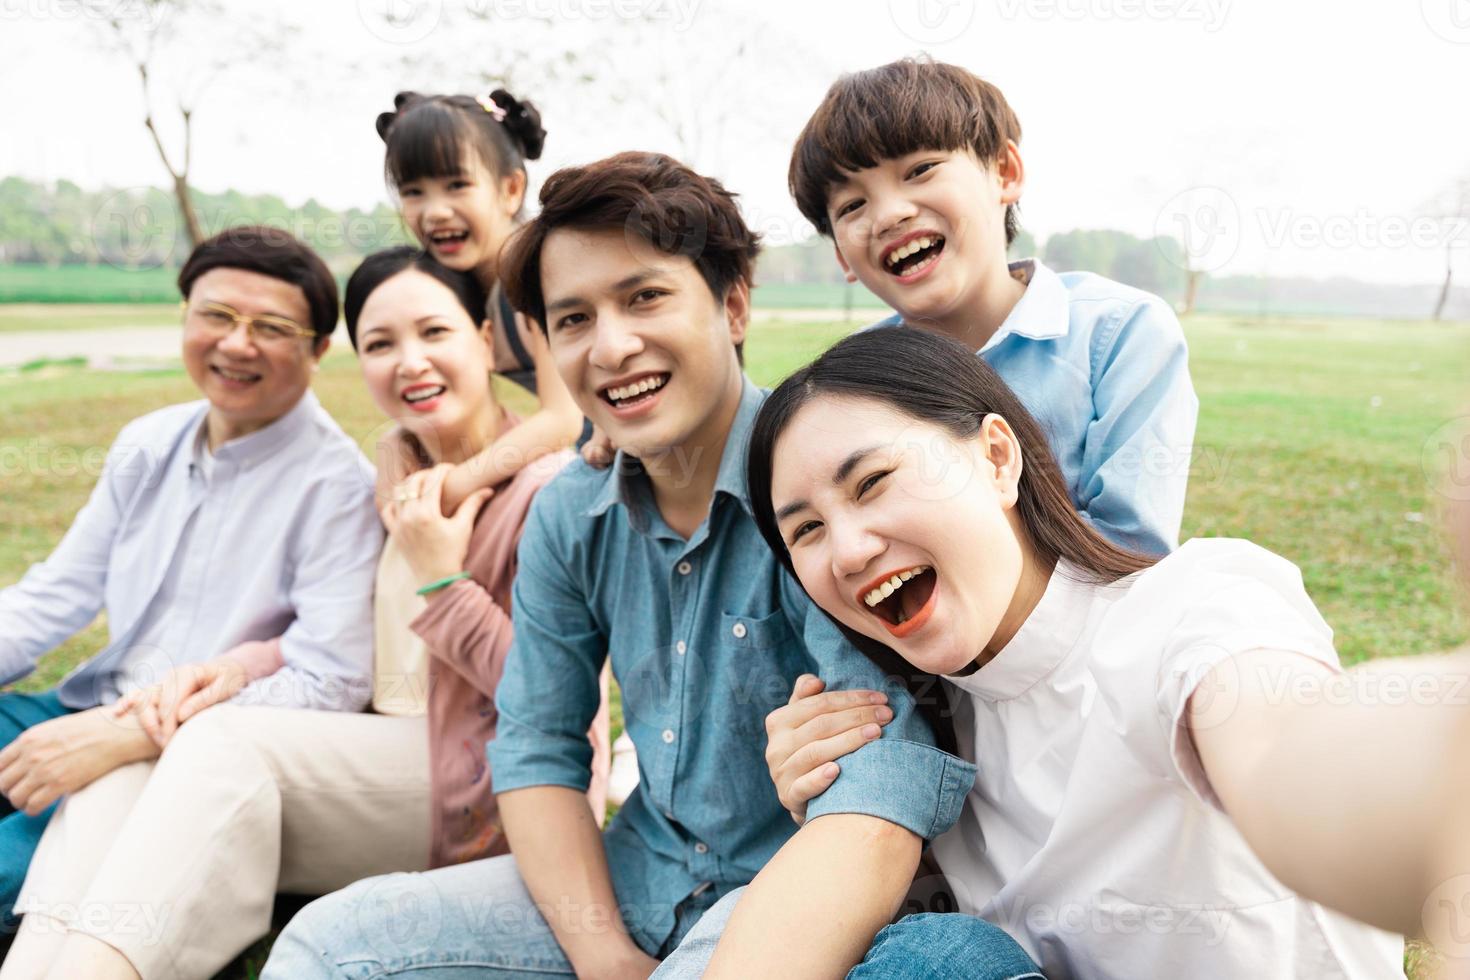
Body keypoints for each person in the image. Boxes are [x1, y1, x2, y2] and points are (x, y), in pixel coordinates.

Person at [262, 152, 1036, 980]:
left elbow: (877, 781)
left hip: (788, 887)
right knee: (327, 943)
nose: (612, 347)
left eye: (645, 297)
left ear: (732, 304)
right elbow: (538, 744)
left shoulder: (814, 495)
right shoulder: (572, 509)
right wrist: (599, 952)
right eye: (573, 319)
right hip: (637, 873)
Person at [745, 326, 1470, 976]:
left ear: (998, 458)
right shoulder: (927, 726)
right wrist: (836, 799)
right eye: (805, 530)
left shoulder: (1192, 609)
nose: (846, 551)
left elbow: (1291, 758)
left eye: (872, 483)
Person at [1, 248, 612, 980]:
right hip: (373, 765)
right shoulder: (405, 472)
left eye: (434, 333)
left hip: (495, 790)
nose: (410, 362)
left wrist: (442, 579)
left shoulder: (548, 492)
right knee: (126, 772)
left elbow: (555, 700)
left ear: (484, 341)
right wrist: (230, 667)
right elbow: (352, 649)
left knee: (212, 743)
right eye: (383, 344)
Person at [0, 226, 380, 929]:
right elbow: (58, 594)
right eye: (216, 316)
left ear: (319, 349)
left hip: (178, 756)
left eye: (271, 327)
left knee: (10, 875)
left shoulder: (339, 489)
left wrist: (135, 735)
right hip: (79, 704)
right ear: (186, 318)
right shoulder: (146, 441)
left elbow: (333, 678)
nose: (236, 345)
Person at [789, 56, 1198, 556]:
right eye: (852, 206)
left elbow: (1131, 547)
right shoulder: (845, 386)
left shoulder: (1118, 335)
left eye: (920, 170)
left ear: (1004, 172)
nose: (890, 213)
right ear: (840, 255)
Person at [373, 89, 586, 513]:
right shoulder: (457, 283)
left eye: (457, 185)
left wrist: (450, 489)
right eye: (414, 192)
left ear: (510, 189)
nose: (435, 211)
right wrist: (399, 442)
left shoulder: (538, 268)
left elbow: (561, 420)